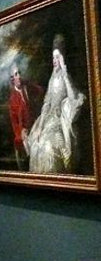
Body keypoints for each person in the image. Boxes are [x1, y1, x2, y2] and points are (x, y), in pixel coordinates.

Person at [23, 34, 86, 174]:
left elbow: (73, 99)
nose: (54, 61)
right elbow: (47, 102)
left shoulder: (65, 77)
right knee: (37, 143)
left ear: (62, 58)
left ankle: (57, 172)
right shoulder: (52, 79)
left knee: (48, 146)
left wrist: (64, 72)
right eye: (53, 58)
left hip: (59, 119)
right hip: (48, 119)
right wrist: (40, 126)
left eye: (57, 57)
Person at [7, 63, 43, 171]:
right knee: (32, 149)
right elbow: (14, 122)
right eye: (16, 74)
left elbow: (40, 91)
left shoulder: (26, 87)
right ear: (12, 79)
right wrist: (21, 132)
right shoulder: (12, 99)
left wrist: (28, 83)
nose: (19, 76)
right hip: (24, 131)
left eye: (19, 73)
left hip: (35, 124)